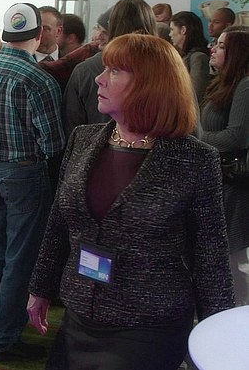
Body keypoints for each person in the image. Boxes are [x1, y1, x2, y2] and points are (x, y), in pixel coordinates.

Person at [28, 34, 234, 369]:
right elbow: (59, 225)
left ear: (150, 84)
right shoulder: (83, 139)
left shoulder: (194, 159)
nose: (98, 78)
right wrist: (40, 288)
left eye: (114, 71)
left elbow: (209, 257)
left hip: (148, 324)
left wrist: (219, 338)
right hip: (80, 312)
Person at [0, 3, 66, 363]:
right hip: (24, 175)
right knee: (19, 260)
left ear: (6, 33)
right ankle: (3, 338)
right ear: (38, 34)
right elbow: (54, 144)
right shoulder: (39, 79)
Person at [200, 26, 249, 306]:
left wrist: (196, 137)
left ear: (237, 52)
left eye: (220, 45)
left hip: (234, 182)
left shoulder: (245, 85)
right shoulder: (227, 82)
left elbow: (236, 137)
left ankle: (236, 315)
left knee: (232, 258)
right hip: (221, 179)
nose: (213, 49)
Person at [64, 0, 157, 137]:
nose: (100, 79)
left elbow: (71, 126)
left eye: (104, 30)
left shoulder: (85, 70)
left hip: (95, 147)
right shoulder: (170, 68)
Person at [170, 11, 211, 104]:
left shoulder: (198, 57)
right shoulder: (185, 55)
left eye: (172, 29)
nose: (170, 34)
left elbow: (195, 95)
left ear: (183, 30)